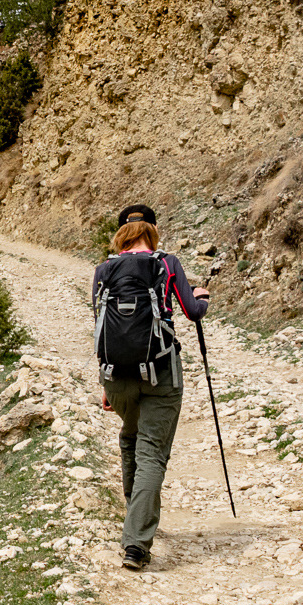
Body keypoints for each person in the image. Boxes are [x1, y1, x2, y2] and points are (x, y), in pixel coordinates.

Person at [93, 205, 209, 572]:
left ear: (121, 235)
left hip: (116, 374)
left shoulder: (104, 270)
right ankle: (136, 544)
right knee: (152, 453)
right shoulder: (167, 264)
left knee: (131, 437)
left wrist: (107, 385)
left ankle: (134, 513)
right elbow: (191, 311)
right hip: (161, 372)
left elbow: (100, 326)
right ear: (153, 231)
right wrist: (202, 297)